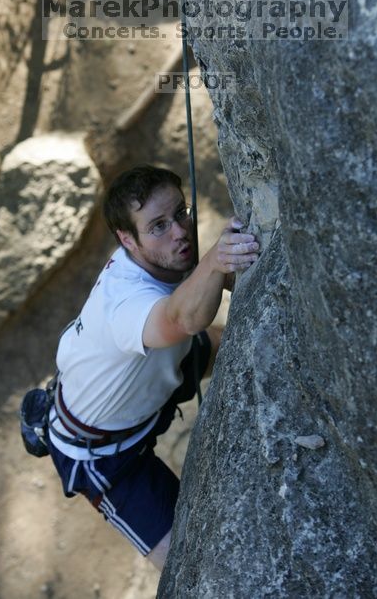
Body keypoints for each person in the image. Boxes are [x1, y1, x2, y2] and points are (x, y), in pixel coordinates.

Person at [46, 165, 259, 570]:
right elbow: (182, 320)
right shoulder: (124, 303)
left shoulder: (160, 257)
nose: (180, 231)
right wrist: (215, 260)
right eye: (158, 226)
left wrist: (226, 263)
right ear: (127, 240)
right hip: (105, 457)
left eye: (181, 213)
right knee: (193, 564)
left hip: (155, 373)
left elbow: (201, 291)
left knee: (229, 345)